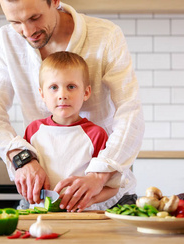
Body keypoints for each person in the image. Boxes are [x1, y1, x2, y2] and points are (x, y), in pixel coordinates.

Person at [0, 0, 144, 212]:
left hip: (108, 197)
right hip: (43, 199)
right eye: (15, 22)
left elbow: (130, 113)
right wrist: (22, 159)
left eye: (34, 17)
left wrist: (98, 176)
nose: (26, 31)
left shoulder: (106, 36)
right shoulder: (6, 41)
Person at [24, 51, 118, 210]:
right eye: (53, 87)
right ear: (42, 94)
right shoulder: (33, 131)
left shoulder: (96, 135)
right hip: (40, 215)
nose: (62, 95)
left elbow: (113, 186)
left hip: (83, 217)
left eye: (71, 87)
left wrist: (89, 201)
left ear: (86, 92)